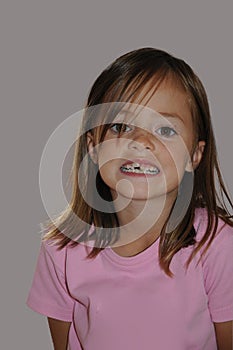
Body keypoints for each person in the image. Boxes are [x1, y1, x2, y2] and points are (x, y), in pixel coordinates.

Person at [27, 48, 233, 350]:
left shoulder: (218, 247)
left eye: (165, 129)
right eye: (121, 126)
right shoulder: (61, 250)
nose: (140, 141)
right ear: (94, 147)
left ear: (194, 154)